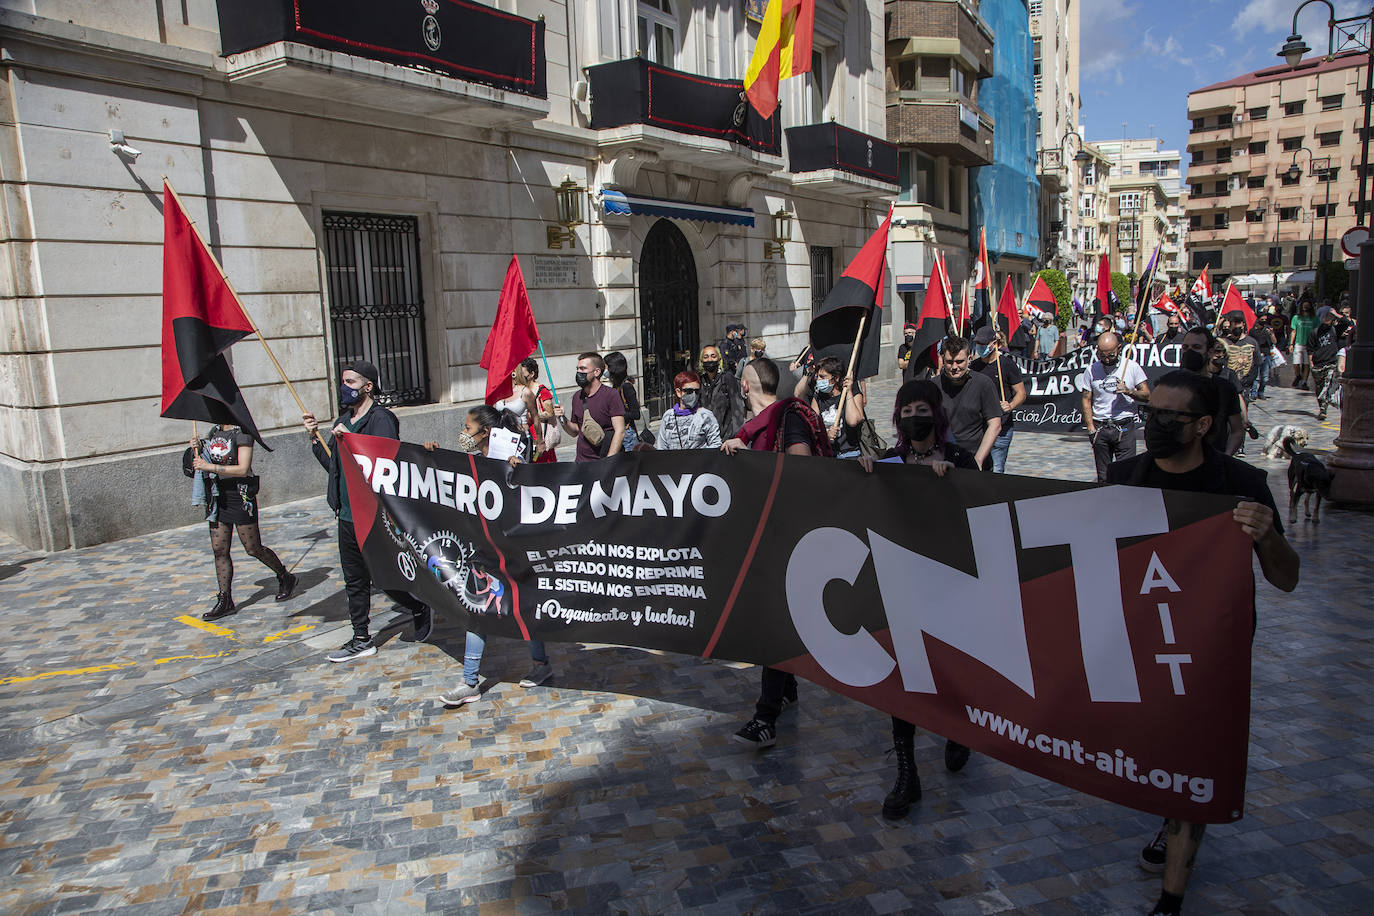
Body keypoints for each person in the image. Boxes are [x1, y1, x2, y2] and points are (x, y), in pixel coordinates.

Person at [1108, 370, 1298, 916]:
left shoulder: (1242, 485)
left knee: (1191, 753)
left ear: (1203, 425)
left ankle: (1172, 895)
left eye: (1171, 417)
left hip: (1212, 653)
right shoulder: (1123, 477)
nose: (1156, 424)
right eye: (1151, 412)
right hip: (1139, 644)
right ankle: (1171, 814)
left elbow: (1286, 577)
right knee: (1159, 746)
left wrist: (1266, 534)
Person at [856, 379, 980, 818]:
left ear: (936, 412)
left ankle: (958, 729)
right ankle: (907, 774)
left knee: (950, 668)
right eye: (905, 411)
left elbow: (982, 516)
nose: (913, 418)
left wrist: (952, 485)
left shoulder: (961, 458)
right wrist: (868, 470)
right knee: (903, 681)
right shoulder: (890, 461)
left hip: (951, 588)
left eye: (920, 409)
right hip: (902, 586)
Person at [722, 358, 831, 749]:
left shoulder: (789, 417)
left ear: (746, 388)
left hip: (794, 537)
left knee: (774, 623)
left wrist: (751, 459)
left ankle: (765, 717)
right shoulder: (759, 426)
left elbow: (800, 469)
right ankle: (787, 690)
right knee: (777, 620)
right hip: (769, 536)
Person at [303, 361, 432, 662]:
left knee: (384, 575)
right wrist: (315, 438)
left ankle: (418, 604)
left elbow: (386, 463)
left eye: (350, 382)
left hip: (372, 513)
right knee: (354, 578)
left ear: (368, 386)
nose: (344, 387)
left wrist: (348, 441)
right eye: (343, 381)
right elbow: (334, 467)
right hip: (346, 514)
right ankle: (361, 636)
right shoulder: (343, 420)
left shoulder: (381, 419)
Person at [434, 406, 553, 705]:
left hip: (513, 551)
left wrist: (520, 470)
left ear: (485, 432)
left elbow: (533, 495)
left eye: (467, 427)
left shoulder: (513, 460)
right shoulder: (473, 463)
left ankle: (541, 665)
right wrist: (430, 457)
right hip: (484, 551)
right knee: (477, 612)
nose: (464, 434)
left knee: (523, 607)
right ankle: (470, 681)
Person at [186, 424, 297, 621]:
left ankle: (284, 575)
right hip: (218, 496)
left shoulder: (242, 433)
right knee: (219, 549)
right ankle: (225, 599)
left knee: (253, 549)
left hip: (240, 495)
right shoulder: (214, 432)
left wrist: (208, 466)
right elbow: (211, 457)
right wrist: (199, 447)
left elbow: (243, 469)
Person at [1078, 331, 1150, 482]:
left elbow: (1147, 395)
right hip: (1101, 427)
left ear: (1119, 348)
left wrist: (1129, 391)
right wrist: (1091, 429)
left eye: (1111, 355)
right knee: (1104, 476)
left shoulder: (1131, 367)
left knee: (1127, 474)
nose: (1107, 359)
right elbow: (1086, 399)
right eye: (1102, 355)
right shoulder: (1091, 370)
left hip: (1124, 426)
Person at [937, 335, 1002, 470]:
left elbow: (995, 425)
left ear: (969, 358)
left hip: (974, 457)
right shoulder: (933, 386)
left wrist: (978, 459)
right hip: (942, 460)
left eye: (960, 361)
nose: (954, 367)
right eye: (949, 362)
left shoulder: (983, 384)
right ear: (943, 359)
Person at [1180, 328, 1243, 455]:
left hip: (1214, 459)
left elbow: (1237, 430)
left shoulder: (1225, 388)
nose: (1190, 351)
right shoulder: (1169, 385)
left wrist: (1226, 457)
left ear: (1209, 352)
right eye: (1186, 347)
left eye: (1196, 347)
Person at [972, 326, 1026, 474]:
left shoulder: (1007, 365)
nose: (980, 348)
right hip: (980, 427)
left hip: (1002, 427)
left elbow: (1021, 393)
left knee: (996, 468)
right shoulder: (974, 367)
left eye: (983, 344)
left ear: (994, 344)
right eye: (978, 344)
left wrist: (1011, 405)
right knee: (978, 467)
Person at [553, 352, 626, 461]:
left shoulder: (611, 395)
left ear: (596, 372)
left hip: (604, 460)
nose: (578, 372)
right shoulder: (577, 397)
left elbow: (620, 431)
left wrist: (609, 462)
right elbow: (575, 431)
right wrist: (562, 418)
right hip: (582, 463)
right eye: (577, 368)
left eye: (583, 369)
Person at [794, 355, 866, 459]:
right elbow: (813, 427)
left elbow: (853, 421)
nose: (819, 380)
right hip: (828, 454)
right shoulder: (818, 397)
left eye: (823, 377)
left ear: (836, 378)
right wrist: (826, 434)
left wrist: (849, 391)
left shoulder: (853, 394)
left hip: (851, 454)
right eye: (818, 376)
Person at [656, 370, 722, 450]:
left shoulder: (705, 416)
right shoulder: (668, 416)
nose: (694, 395)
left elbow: (716, 444)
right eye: (689, 391)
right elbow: (662, 447)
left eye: (697, 391)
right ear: (678, 392)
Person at [1308, 306, 1349, 422]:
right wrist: (1311, 363)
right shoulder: (1314, 332)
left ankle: (1323, 410)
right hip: (1318, 364)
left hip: (1331, 362)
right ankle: (1322, 406)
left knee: (1327, 385)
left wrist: (1336, 314)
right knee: (1319, 388)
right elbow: (1310, 349)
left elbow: (1347, 322)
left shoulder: (1335, 330)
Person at [699, 345, 747, 440]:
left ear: (719, 359)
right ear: (701, 361)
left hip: (725, 437)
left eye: (713, 356)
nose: (710, 359)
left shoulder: (727, 378)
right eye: (706, 357)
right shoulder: (700, 381)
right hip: (705, 438)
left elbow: (737, 408)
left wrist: (735, 436)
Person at [516, 357, 559, 463]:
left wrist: (532, 415)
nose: (520, 376)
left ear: (531, 374)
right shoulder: (521, 390)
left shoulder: (542, 391)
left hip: (539, 436)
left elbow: (549, 413)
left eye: (522, 373)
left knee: (541, 464)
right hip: (526, 434)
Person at [604, 351, 642, 451]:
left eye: (606, 367)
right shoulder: (617, 385)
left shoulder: (626, 386)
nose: (605, 370)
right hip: (619, 431)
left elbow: (636, 414)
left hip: (627, 434)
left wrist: (617, 416)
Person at [1219, 312, 1260, 402]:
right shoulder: (1224, 343)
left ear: (1243, 325)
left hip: (1244, 383)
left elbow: (1257, 363)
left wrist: (1250, 379)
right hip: (1227, 382)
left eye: (1239, 326)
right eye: (1235, 326)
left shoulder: (1252, 342)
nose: (1237, 329)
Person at [1290, 300, 1317, 389]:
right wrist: (1291, 343)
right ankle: (1298, 376)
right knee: (1296, 363)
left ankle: (1304, 382)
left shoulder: (1314, 318)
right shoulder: (1296, 318)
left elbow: (1317, 331)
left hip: (1309, 344)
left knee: (1306, 364)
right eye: (1304, 306)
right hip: (1298, 343)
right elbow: (1293, 331)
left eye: (1307, 306)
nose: (1305, 308)